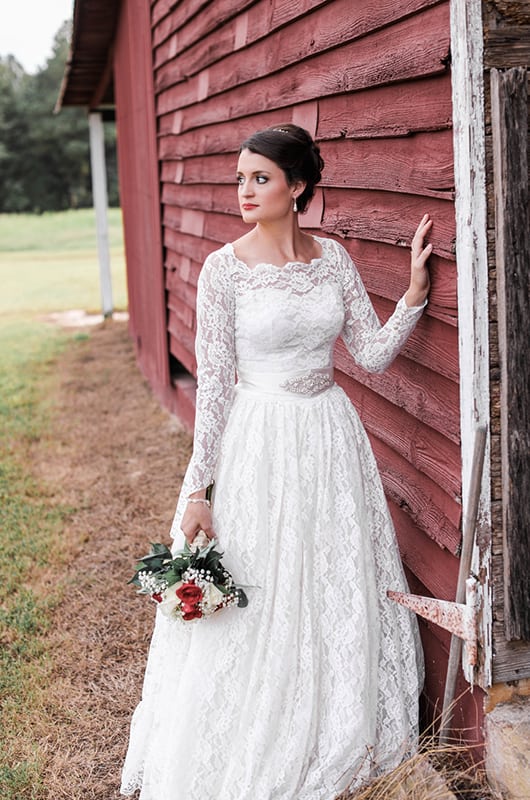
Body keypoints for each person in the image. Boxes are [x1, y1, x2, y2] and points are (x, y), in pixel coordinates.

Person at [121, 123, 431, 799]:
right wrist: (199, 489)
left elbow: (370, 354)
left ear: (297, 187)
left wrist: (411, 296)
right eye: (240, 178)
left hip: (328, 434)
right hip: (258, 439)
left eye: (259, 178)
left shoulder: (334, 260)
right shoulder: (225, 271)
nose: (244, 191)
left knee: (326, 578)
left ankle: (329, 717)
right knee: (260, 584)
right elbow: (214, 387)